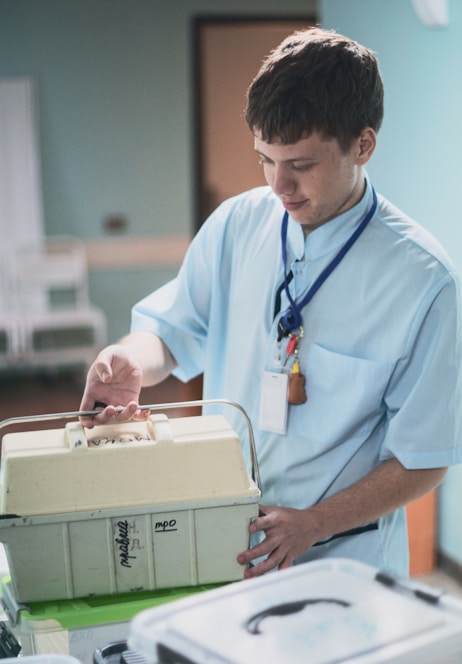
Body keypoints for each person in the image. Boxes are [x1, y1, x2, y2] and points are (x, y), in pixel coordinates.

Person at [80, 27, 462, 579]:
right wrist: (134, 358)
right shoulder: (239, 224)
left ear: (363, 145)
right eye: (265, 159)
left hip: (341, 562)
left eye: (301, 165)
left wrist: (314, 523)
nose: (279, 186)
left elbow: (422, 460)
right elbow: (173, 327)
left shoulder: (422, 280)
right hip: (223, 541)